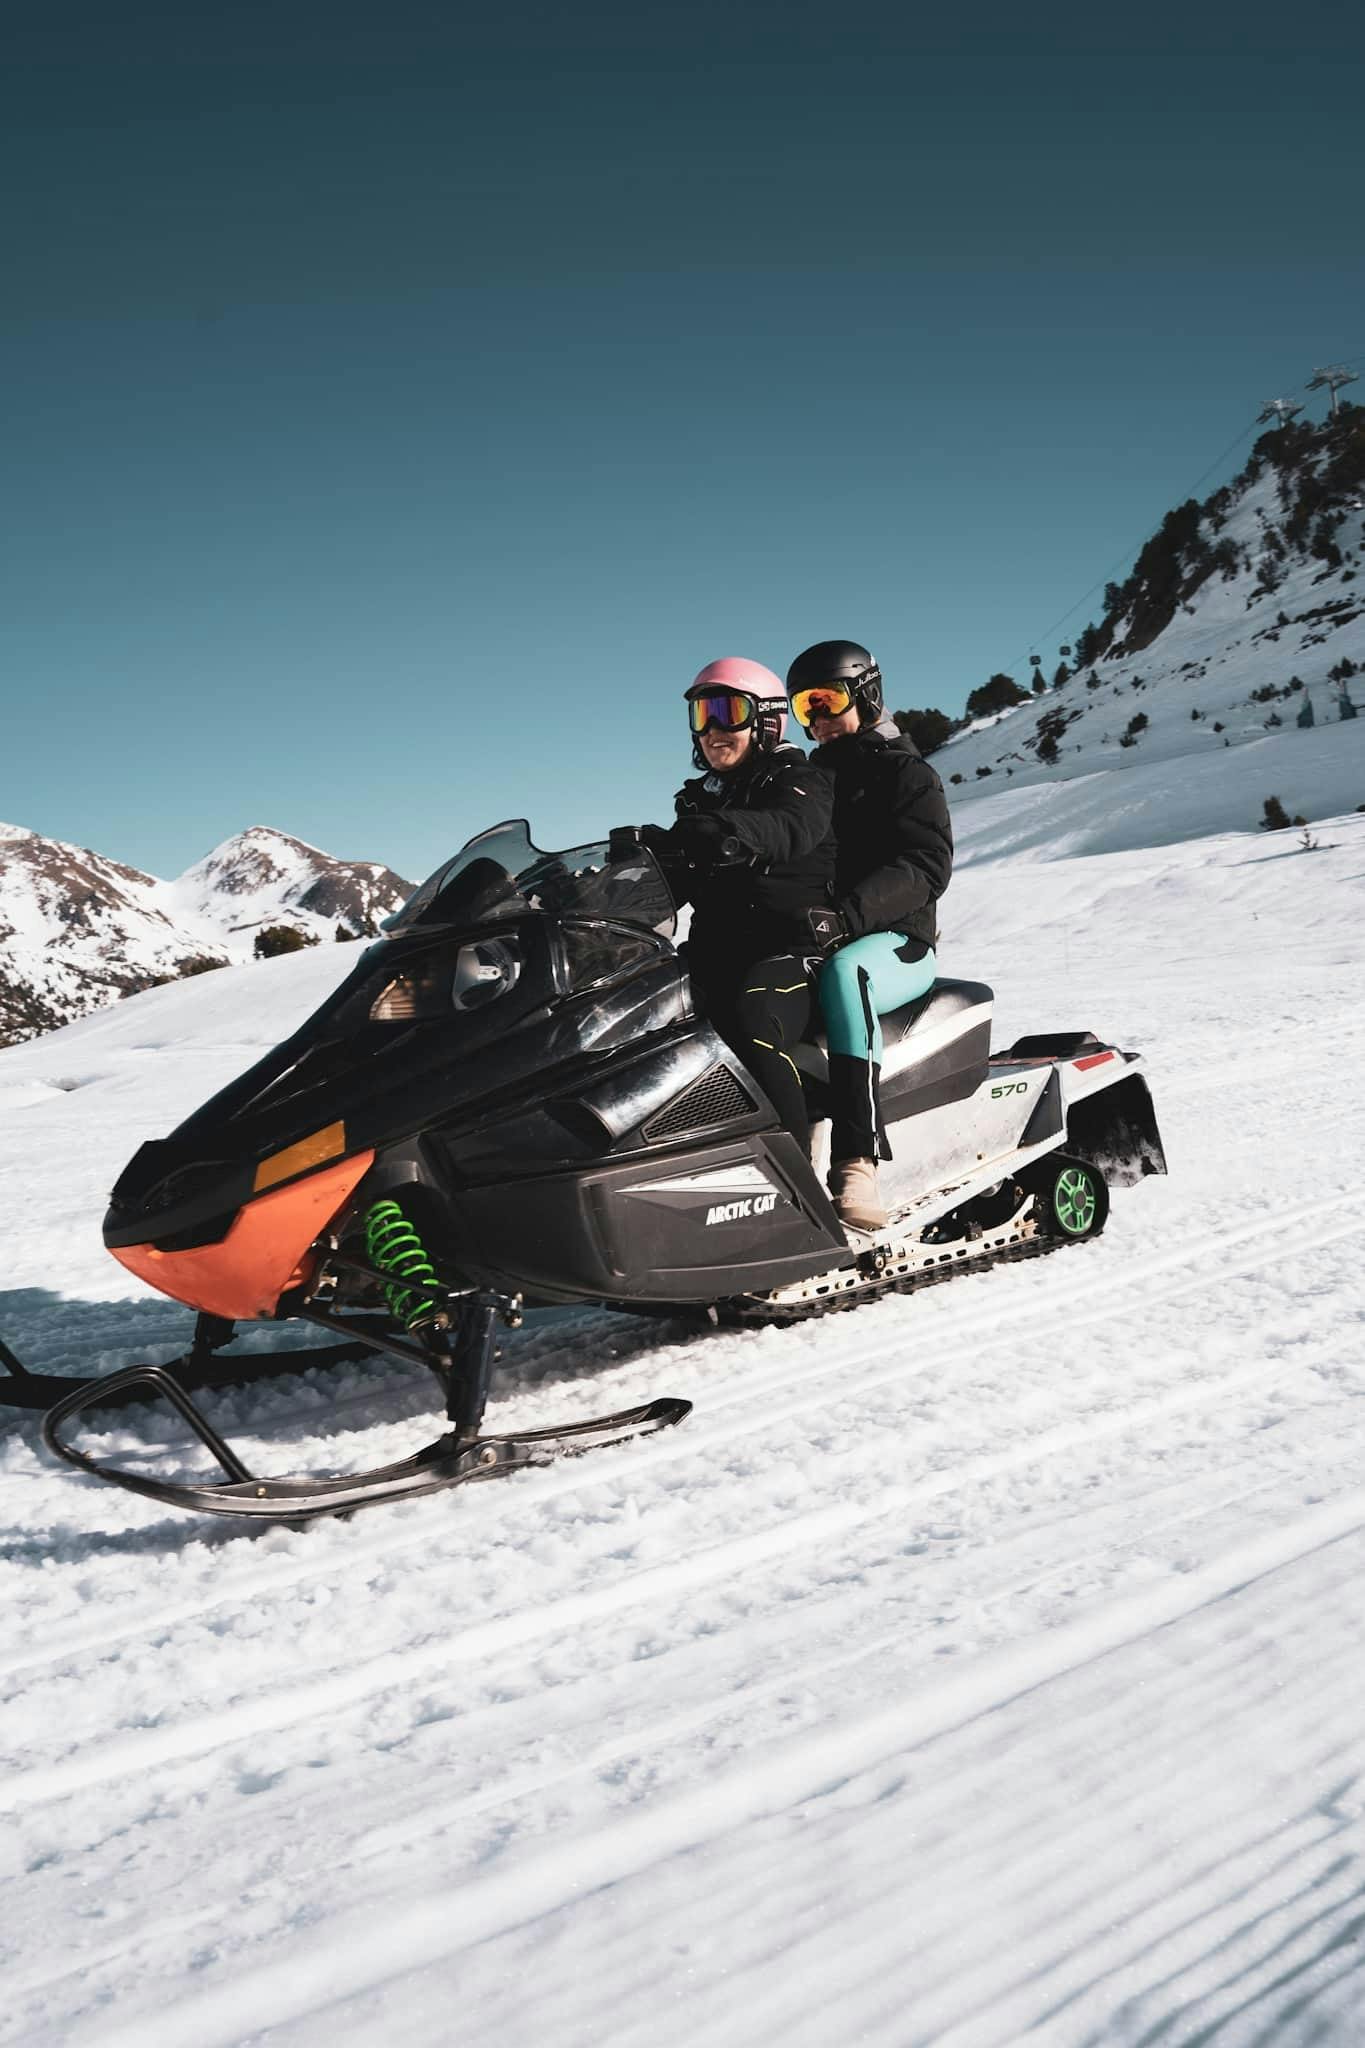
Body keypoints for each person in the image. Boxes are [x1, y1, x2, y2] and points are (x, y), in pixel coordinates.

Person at [786, 639, 954, 1231]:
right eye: (804, 707)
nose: (817, 720)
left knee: (846, 973)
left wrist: (847, 915)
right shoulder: (809, 783)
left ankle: (857, 1162)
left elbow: (926, 866)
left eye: (827, 701)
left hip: (898, 943)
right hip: (823, 936)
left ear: (866, 694)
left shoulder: (906, 773)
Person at [641, 658, 838, 1158]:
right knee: (636, 1012)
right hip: (715, 953)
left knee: (752, 1024)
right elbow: (677, 879)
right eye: (701, 715)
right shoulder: (700, 801)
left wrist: (729, 832)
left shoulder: (800, 781)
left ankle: (796, 1182)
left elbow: (790, 827)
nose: (712, 729)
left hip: (792, 951)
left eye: (728, 712)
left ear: (766, 719)